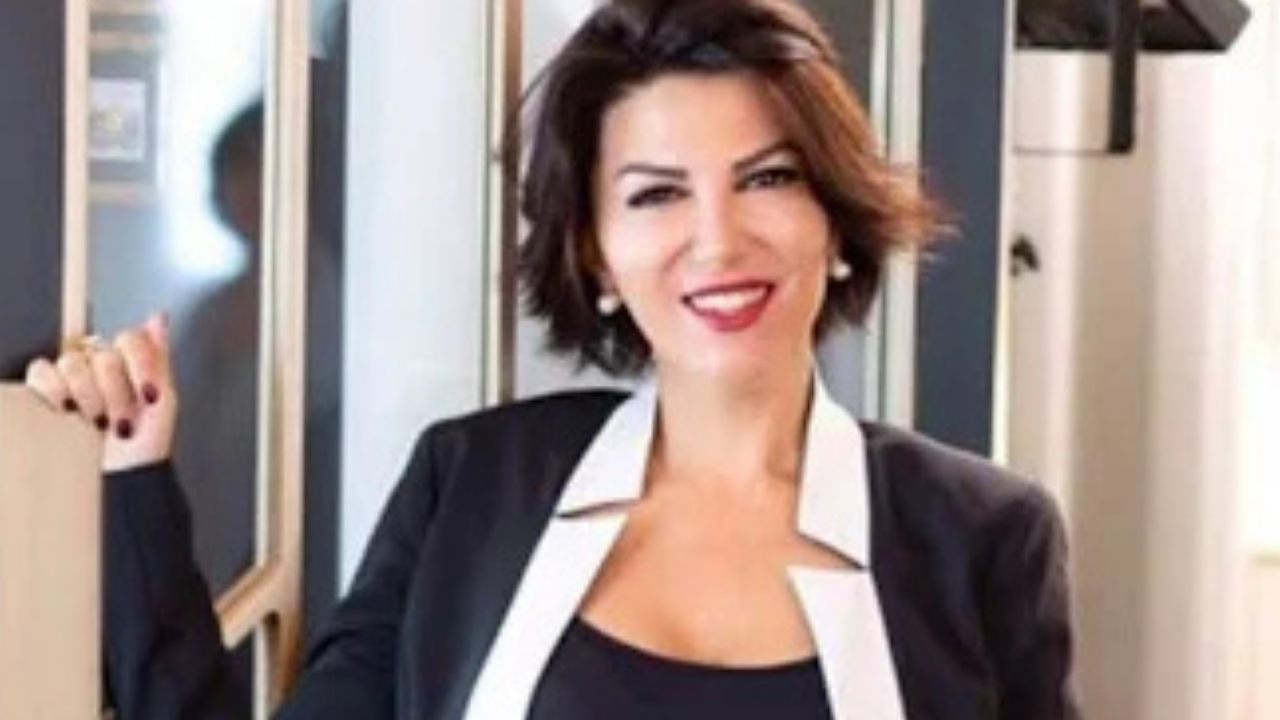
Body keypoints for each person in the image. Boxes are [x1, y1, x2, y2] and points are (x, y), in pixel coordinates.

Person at [23, 0, 1080, 718]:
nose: (716, 240)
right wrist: (134, 475)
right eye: (656, 194)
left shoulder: (980, 536)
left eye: (767, 179)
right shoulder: (473, 485)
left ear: (835, 221)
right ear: (596, 254)